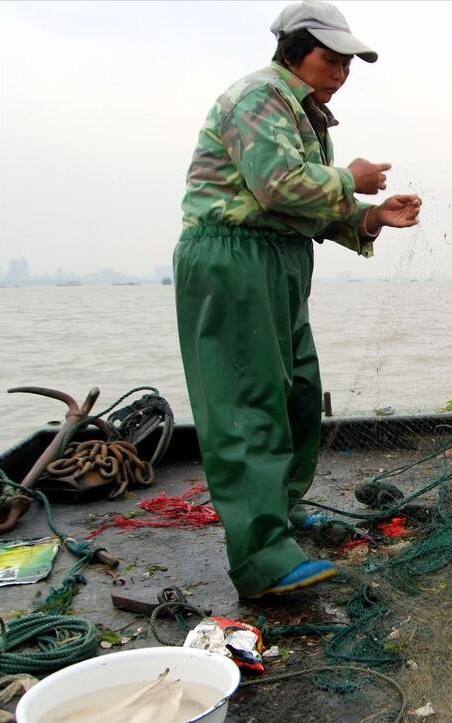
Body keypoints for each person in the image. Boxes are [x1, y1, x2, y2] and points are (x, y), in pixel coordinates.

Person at [173, 0, 422, 599]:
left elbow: (297, 209)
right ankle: (261, 559)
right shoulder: (259, 96)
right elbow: (278, 184)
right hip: (233, 259)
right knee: (249, 402)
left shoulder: (301, 113)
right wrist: (351, 180)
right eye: (330, 59)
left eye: (348, 64)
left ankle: (280, 516)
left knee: (297, 393)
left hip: (278, 259)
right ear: (292, 52)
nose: (340, 72)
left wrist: (369, 218)